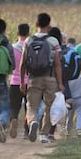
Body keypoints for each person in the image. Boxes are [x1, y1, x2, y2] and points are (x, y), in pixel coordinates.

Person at [20, 13, 65, 143]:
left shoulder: (29, 41)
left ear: (36, 24)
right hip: (49, 77)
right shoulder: (53, 41)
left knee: (32, 106)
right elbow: (57, 64)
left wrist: (23, 82)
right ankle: (44, 134)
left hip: (34, 78)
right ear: (49, 25)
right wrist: (60, 83)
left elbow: (22, 64)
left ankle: (33, 121)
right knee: (49, 106)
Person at [46, 26, 72, 142]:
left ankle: (41, 129)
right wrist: (62, 84)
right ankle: (50, 132)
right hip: (56, 82)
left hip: (42, 79)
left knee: (45, 106)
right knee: (54, 107)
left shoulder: (44, 47)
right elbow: (61, 67)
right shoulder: (60, 51)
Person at [9, 23, 30, 139]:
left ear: (17, 33)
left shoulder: (11, 48)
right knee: (29, 107)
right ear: (28, 34)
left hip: (14, 81)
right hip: (28, 82)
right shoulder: (30, 48)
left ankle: (14, 119)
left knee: (13, 106)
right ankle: (27, 132)